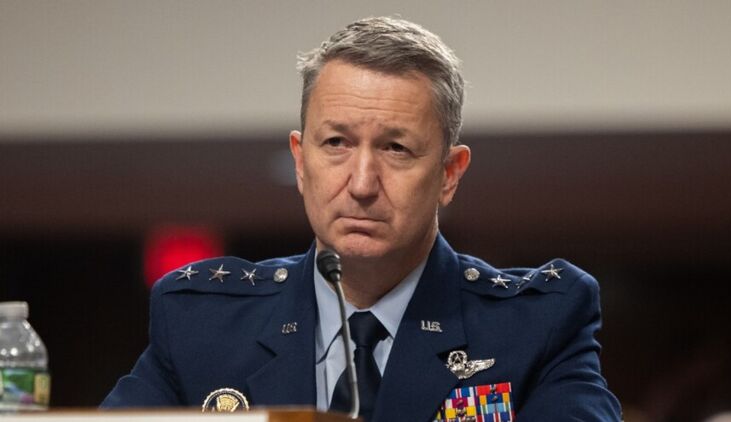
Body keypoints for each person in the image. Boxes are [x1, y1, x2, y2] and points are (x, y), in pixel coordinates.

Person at [102, 16, 621, 421]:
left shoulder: (536, 325)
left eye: (396, 148)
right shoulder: (202, 322)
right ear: (300, 161)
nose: (362, 183)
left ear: (449, 174)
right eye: (336, 143)